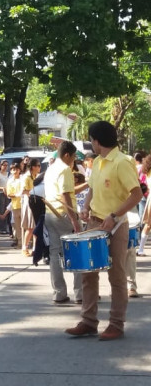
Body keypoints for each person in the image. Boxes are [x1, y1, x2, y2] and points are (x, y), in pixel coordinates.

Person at [65, 121, 142, 341]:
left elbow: (136, 194)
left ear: (97, 141)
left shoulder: (122, 162)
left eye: (91, 140)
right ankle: (88, 322)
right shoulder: (97, 162)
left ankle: (116, 324)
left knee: (116, 274)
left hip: (116, 225)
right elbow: (92, 187)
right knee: (88, 274)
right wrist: (85, 206)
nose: (91, 144)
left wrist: (115, 215)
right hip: (95, 223)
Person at [44, 141, 83, 304]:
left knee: (54, 253)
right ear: (67, 155)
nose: (74, 161)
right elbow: (66, 195)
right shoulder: (65, 169)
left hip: (50, 213)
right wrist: (74, 220)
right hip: (64, 214)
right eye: (73, 157)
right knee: (77, 252)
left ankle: (59, 292)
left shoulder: (51, 168)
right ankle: (80, 293)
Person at [20, 158, 41, 256]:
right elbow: (24, 191)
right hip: (29, 203)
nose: (39, 167)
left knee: (36, 227)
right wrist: (33, 193)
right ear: (33, 167)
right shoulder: (26, 177)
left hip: (37, 202)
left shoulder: (36, 176)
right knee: (30, 227)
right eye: (38, 165)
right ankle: (24, 247)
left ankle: (35, 248)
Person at [6, 163, 22, 248]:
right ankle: (20, 243)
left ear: (19, 170)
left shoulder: (23, 179)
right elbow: (9, 194)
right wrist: (17, 195)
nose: (15, 171)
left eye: (16, 169)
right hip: (15, 205)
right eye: (13, 169)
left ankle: (26, 242)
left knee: (25, 226)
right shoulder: (10, 181)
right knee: (17, 226)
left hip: (24, 204)